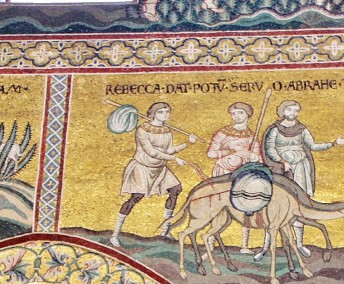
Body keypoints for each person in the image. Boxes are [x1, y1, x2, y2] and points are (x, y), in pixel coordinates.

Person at [263, 100, 344, 257]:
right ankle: (267, 246)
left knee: (300, 204)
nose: (293, 113)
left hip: (301, 168)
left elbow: (313, 146)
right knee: (276, 206)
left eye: (296, 110)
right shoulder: (275, 130)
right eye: (289, 110)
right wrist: (282, 161)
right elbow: (269, 148)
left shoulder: (302, 129)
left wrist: (333, 143)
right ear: (282, 111)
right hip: (281, 170)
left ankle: (299, 243)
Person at [111, 102, 197, 247]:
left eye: (167, 111)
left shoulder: (167, 130)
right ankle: (115, 234)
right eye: (161, 112)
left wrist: (187, 143)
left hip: (159, 168)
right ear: (153, 114)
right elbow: (152, 152)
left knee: (175, 189)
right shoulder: (142, 130)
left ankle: (164, 231)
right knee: (136, 197)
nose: (165, 114)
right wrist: (175, 159)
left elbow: (168, 150)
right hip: (143, 167)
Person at [207, 102, 263, 253]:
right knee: (220, 207)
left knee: (246, 207)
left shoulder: (253, 135)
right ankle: (210, 244)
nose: (236, 116)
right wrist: (227, 152)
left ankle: (244, 245)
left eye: (240, 113)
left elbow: (259, 158)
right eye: (233, 113)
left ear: (247, 115)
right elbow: (210, 153)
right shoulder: (222, 133)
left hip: (243, 174)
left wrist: (253, 156)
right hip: (224, 172)